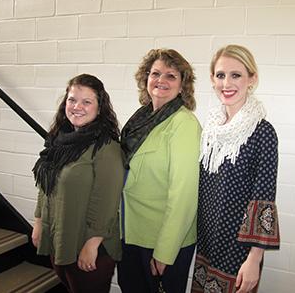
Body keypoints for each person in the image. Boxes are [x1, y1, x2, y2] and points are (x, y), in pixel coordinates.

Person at [192, 45, 280, 293]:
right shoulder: (210, 130)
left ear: (252, 79)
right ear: (212, 79)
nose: (226, 83)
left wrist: (254, 259)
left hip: (238, 252)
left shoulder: (263, 132)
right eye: (220, 75)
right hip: (207, 243)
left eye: (236, 75)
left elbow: (264, 199)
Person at [117, 48, 201, 293]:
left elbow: (184, 194)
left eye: (171, 76)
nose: (161, 80)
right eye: (155, 73)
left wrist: (166, 250)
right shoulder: (140, 119)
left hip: (162, 241)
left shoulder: (183, 123)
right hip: (130, 233)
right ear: (146, 78)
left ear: (183, 85)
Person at [31, 74, 124, 293]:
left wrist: (92, 244)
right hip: (61, 237)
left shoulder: (106, 147)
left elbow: (107, 201)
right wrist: (38, 221)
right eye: (72, 100)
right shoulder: (59, 141)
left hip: (89, 246)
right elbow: (46, 185)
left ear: (99, 108)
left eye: (86, 101)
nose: (77, 107)